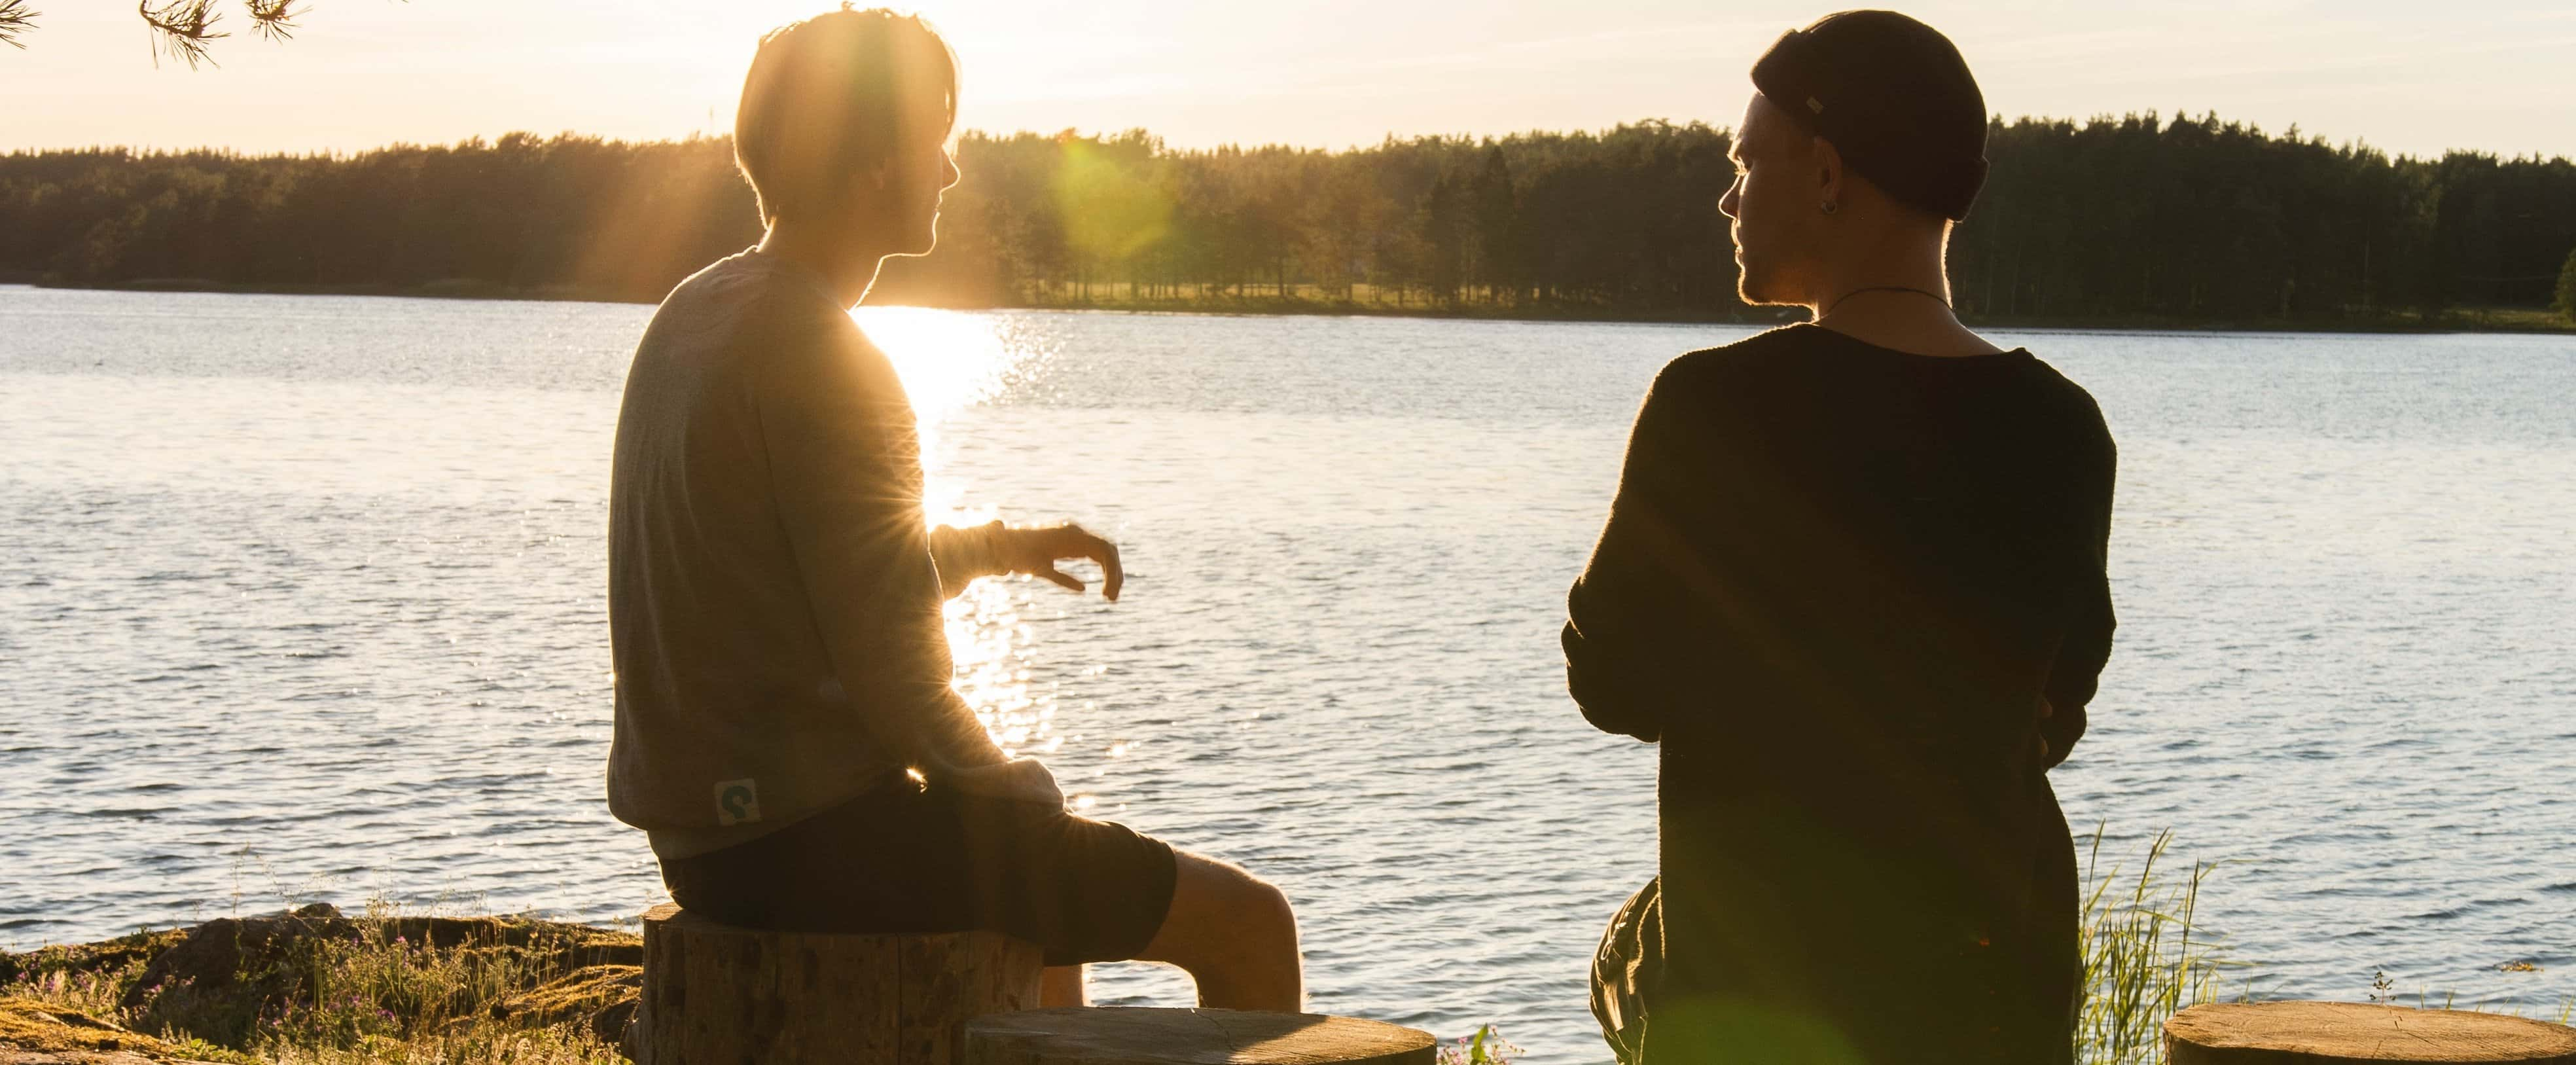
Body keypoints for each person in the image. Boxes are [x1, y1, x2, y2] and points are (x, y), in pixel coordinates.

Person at [603, 7, 1300, 1011]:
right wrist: (1026, 792)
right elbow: (899, 677)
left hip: (707, 847)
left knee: (1038, 905)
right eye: (940, 139)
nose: (954, 168)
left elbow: (813, 574)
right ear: (879, 163)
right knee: (1247, 919)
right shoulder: (830, 356)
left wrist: (1000, 548)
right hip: (815, 845)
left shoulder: (698, 312)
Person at [1565, 10, 2115, 1063]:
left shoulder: (1713, 409)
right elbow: (2055, 704)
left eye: (1745, 160)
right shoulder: (2063, 426)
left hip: (1767, 993)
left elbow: (1613, 682)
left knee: (1630, 948)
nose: (1727, 196)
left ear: (1826, 173)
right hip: (1998, 994)